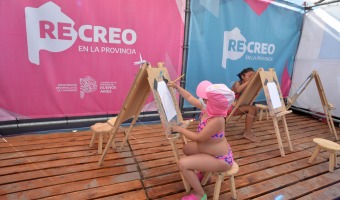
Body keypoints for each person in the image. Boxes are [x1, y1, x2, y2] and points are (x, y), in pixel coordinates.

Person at [168, 80, 235, 200]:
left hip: (220, 159)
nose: (203, 101)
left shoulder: (217, 120)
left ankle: (200, 195)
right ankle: (205, 175)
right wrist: (176, 87)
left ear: (214, 104)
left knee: (183, 164)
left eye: (206, 99)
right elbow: (189, 97)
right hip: (210, 152)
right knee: (187, 148)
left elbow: (199, 138)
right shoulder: (207, 109)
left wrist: (180, 129)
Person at [229, 67, 260, 143]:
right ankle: (247, 133)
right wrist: (249, 81)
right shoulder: (237, 83)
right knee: (251, 109)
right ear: (243, 76)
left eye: (253, 77)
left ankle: (247, 130)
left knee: (255, 108)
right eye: (250, 76)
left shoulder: (247, 86)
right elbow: (238, 90)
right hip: (229, 107)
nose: (251, 78)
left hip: (236, 107)